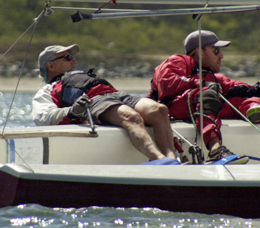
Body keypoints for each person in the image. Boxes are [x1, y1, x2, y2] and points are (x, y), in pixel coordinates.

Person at [149, 30, 260, 163]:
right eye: (216, 50)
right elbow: (167, 84)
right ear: (200, 52)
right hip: (170, 107)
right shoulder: (178, 61)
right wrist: (201, 83)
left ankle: (255, 109)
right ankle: (215, 150)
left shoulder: (212, 77)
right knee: (206, 95)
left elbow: (241, 88)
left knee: (239, 98)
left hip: (199, 102)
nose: (221, 55)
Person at [32, 44, 177, 161]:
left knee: (159, 110)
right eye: (68, 58)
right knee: (132, 117)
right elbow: (44, 117)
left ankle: (173, 159)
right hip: (95, 101)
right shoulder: (47, 90)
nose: (74, 61)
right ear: (51, 66)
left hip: (116, 95)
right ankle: (159, 159)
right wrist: (73, 111)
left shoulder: (79, 74)